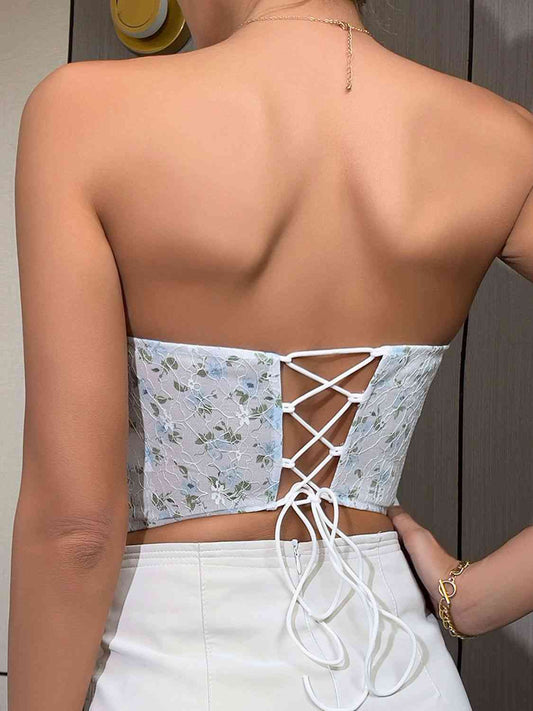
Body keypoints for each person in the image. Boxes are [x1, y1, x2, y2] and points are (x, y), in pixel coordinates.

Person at [7, 0, 533, 709]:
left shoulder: (83, 113)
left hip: (166, 665)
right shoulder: (501, 142)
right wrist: (476, 597)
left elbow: (75, 532)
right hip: (400, 668)